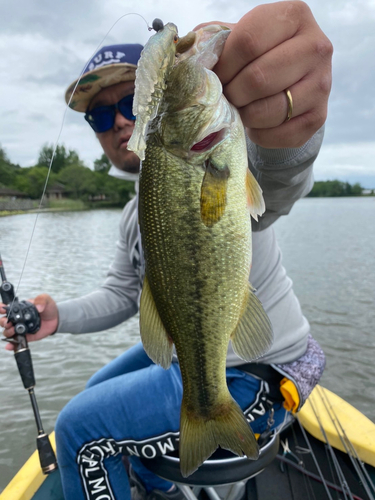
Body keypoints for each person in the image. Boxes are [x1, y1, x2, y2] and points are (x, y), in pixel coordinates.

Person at [0, 2, 332, 499]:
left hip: (261, 371)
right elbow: (121, 293)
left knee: (78, 432)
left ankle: (189, 436)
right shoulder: (139, 213)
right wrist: (56, 316)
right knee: (95, 392)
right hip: (198, 359)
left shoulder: (222, 152)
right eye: (99, 115)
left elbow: (280, 181)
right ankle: (164, 487)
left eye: (131, 102)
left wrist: (293, 126)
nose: (116, 122)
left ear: (154, 96)